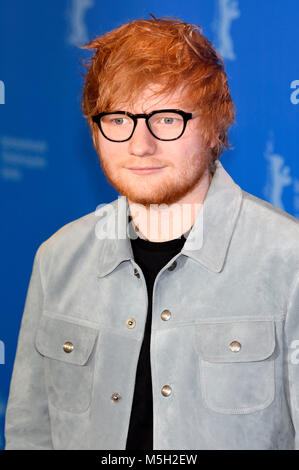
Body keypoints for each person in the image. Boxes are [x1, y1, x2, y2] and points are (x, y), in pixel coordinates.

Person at [4, 15, 299, 450]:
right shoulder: (57, 258)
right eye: (119, 119)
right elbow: (30, 435)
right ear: (94, 130)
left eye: (166, 118)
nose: (140, 144)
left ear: (215, 126)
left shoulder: (288, 259)